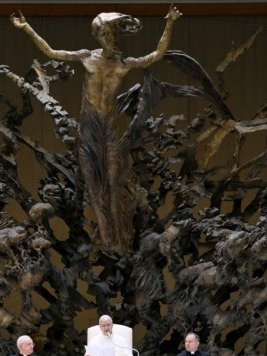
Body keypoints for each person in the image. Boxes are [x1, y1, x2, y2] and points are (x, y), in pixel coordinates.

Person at [11, 7, 182, 253]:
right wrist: (26, 28)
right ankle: (107, 241)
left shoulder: (124, 63)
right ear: (97, 36)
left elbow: (157, 55)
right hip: (89, 132)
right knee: (94, 187)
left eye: (112, 33)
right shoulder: (85, 56)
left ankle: (121, 241)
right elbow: (51, 52)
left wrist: (170, 23)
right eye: (105, 34)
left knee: (113, 182)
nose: (109, 38)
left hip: (109, 133)